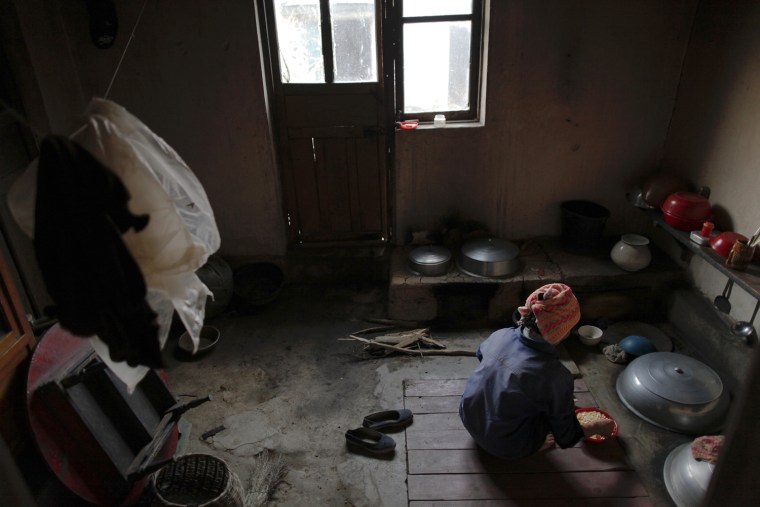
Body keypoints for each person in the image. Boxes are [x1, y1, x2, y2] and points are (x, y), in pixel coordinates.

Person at [459, 282, 615, 460]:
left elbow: (481, 355)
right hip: (504, 446)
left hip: (469, 417)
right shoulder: (555, 376)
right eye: (570, 329)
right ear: (560, 332)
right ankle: (533, 444)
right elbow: (566, 436)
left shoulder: (501, 334)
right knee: (549, 413)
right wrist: (596, 426)